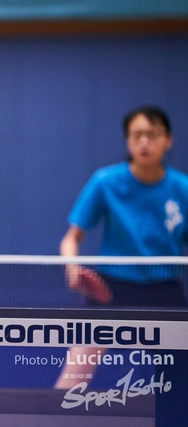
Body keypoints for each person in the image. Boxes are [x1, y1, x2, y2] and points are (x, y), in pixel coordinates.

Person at [55, 105, 188, 389]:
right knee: (72, 380)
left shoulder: (183, 188)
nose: (144, 142)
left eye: (152, 134)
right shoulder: (105, 182)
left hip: (166, 292)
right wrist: (71, 267)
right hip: (111, 290)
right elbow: (71, 238)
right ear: (127, 140)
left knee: (178, 384)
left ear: (168, 140)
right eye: (137, 135)